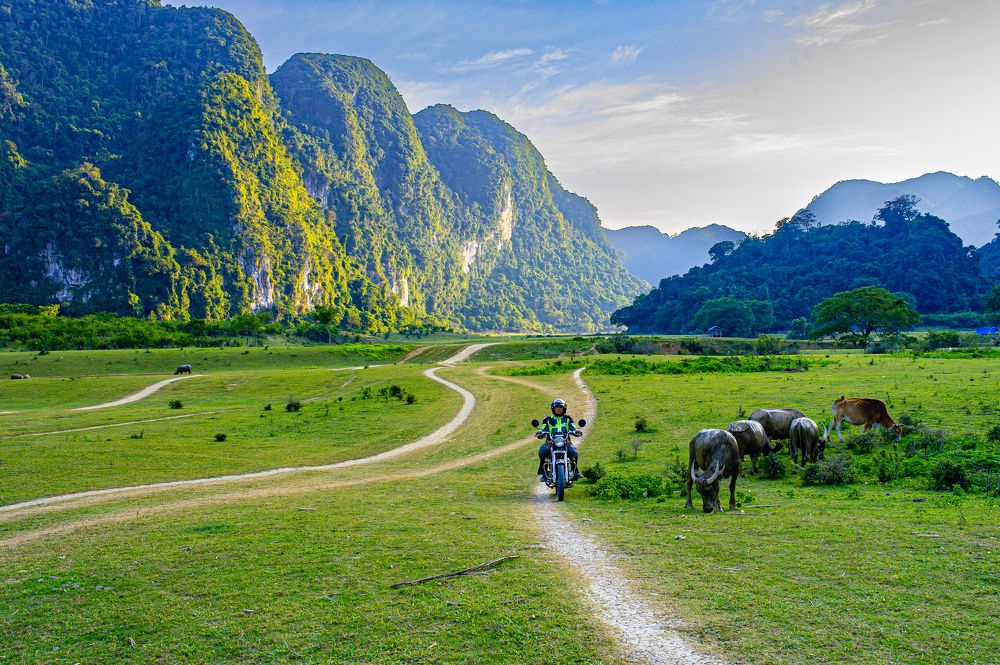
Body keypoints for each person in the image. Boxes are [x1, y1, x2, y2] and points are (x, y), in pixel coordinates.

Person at [536, 398, 583, 482]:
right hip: (550, 442)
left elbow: (573, 427)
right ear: (553, 408)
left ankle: (575, 471)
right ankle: (544, 472)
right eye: (556, 407)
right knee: (542, 451)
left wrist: (576, 431)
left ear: (564, 408)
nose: (558, 408)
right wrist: (540, 432)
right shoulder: (547, 419)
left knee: (574, 452)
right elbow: (543, 428)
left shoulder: (568, 418)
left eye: (560, 407)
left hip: (565, 442)